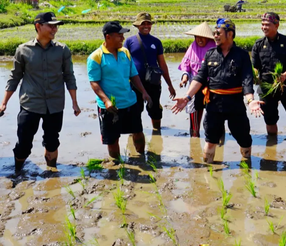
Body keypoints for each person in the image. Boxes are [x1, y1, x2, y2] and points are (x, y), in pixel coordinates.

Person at [172, 18, 263, 163]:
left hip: (235, 105)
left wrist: (251, 101)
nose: (215, 36)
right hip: (214, 104)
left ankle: (247, 166)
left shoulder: (242, 55)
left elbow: (247, 80)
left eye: (218, 33)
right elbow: (199, 78)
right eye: (214, 33)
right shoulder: (210, 54)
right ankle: (207, 172)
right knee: (210, 140)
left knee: (244, 139)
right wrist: (187, 97)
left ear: (230, 34)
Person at [1, 12, 80, 172]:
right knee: (24, 143)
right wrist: (3, 103)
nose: (54, 29)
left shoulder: (62, 50)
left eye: (56, 26)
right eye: (51, 26)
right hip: (30, 104)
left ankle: (52, 172)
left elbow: (69, 76)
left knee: (52, 141)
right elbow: (14, 77)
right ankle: (18, 171)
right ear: (38, 26)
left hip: (55, 104)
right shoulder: (23, 50)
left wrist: (75, 102)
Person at [87, 21, 152, 159]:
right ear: (108, 37)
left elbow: (133, 75)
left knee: (138, 132)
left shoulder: (125, 53)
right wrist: (106, 100)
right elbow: (94, 82)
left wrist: (144, 92)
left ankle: (141, 158)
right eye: (119, 35)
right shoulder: (96, 57)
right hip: (110, 106)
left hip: (129, 101)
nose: (123, 39)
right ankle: (116, 165)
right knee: (112, 139)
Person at [124, 12, 176, 132]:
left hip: (153, 82)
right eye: (143, 24)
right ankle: (135, 133)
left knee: (155, 109)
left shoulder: (156, 42)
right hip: (135, 83)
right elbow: (124, 64)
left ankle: (156, 132)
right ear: (137, 26)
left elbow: (162, 64)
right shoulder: (129, 41)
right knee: (135, 109)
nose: (146, 26)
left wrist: (170, 85)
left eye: (148, 23)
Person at [251, 12, 286, 136]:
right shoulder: (258, 44)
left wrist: (284, 75)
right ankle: (272, 143)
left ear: (277, 25)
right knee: (269, 118)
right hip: (266, 88)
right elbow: (255, 67)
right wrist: (253, 76)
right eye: (262, 24)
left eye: (267, 24)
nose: (264, 27)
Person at [178, 22, 216, 137]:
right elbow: (186, 65)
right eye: (197, 37)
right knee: (194, 112)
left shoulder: (214, 48)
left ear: (208, 38)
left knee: (214, 116)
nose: (199, 40)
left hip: (211, 86)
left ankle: (217, 139)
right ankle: (194, 138)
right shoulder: (192, 47)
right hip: (195, 86)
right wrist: (185, 77)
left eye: (203, 37)